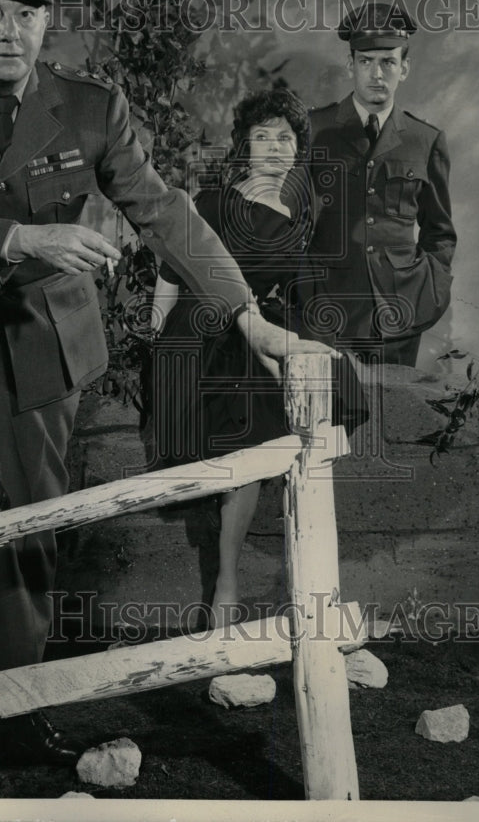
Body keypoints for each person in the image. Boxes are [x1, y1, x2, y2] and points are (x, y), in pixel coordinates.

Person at [0, 0, 327, 767]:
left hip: (47, 334)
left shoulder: (92, 107)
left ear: (47, 26)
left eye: (24, 16)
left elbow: (164, 214)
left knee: (36, 529)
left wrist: (246, 316)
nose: (7, 32)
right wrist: (25, 238)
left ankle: (12, 709)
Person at [150, 87, 366, 629]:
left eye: (285, 138)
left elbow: (302, 295)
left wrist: (320, 340)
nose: (274, 147)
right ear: (244, 146)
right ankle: (226, 586)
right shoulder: (213, 202)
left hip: (262, 332)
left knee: (312, 392)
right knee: (251, 409)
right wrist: (155, 342)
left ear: (296, 151)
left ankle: (311, 589)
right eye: (263, 136)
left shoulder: (300, 216)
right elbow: (172, 274)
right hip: (205, 331)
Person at [303, 2, 457, 366]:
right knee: (326, 417)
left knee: (395, 415)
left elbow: (441, 232)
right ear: (350, 65)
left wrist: (429, 287)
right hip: (326, 307)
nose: (376, 73)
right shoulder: (313, 130)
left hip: (400, 310)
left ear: (404, 68)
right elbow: (291, 219)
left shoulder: (425, 139)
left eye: (388, 62)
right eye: (365, 61)